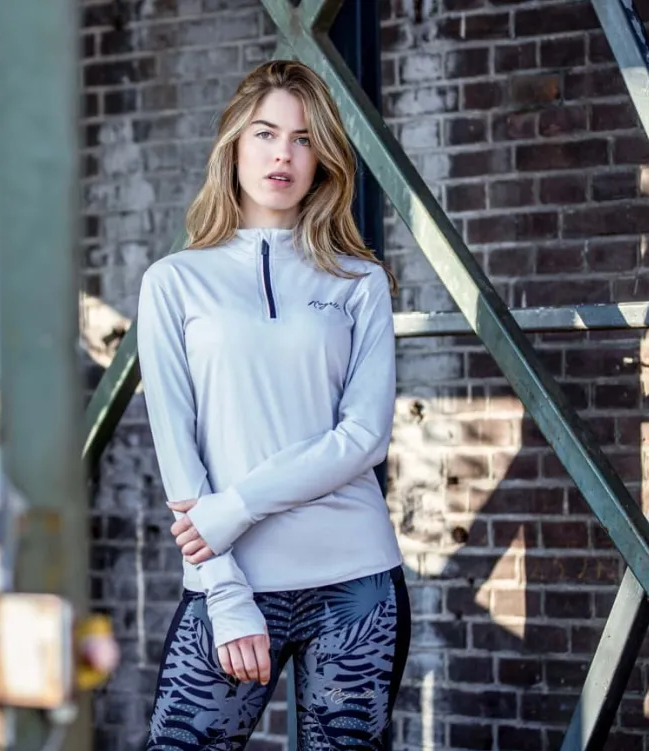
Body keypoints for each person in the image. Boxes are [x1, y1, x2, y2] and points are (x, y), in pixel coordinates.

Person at [135, 60, 411, 750]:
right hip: (232, 579)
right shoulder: (174, 282)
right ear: (233, 145)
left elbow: (364, 436)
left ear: (323, 161)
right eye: (265, 133)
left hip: (357, 584)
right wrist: (225, 593)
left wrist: (238, 505)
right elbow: (177, 447)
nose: (282, 154)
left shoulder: (359, 281)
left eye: (303, 138)